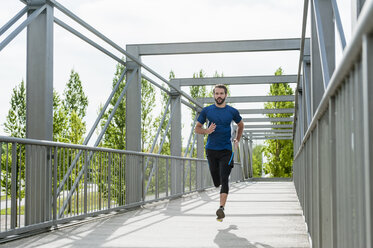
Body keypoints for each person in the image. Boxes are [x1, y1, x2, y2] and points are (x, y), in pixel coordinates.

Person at [194, 84, 244, 221]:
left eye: (221, 93)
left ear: (226, 95)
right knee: (216, 180)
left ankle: (221, 208)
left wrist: (237, 139)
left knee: (224, 179)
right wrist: (206, 131)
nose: (219, 96)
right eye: (217, 93)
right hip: (211, 150)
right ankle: (217, 184)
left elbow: (241, 125)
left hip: (226, 150)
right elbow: (197, 129)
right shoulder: (207, 111)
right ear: (214, 95)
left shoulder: (232, 111)